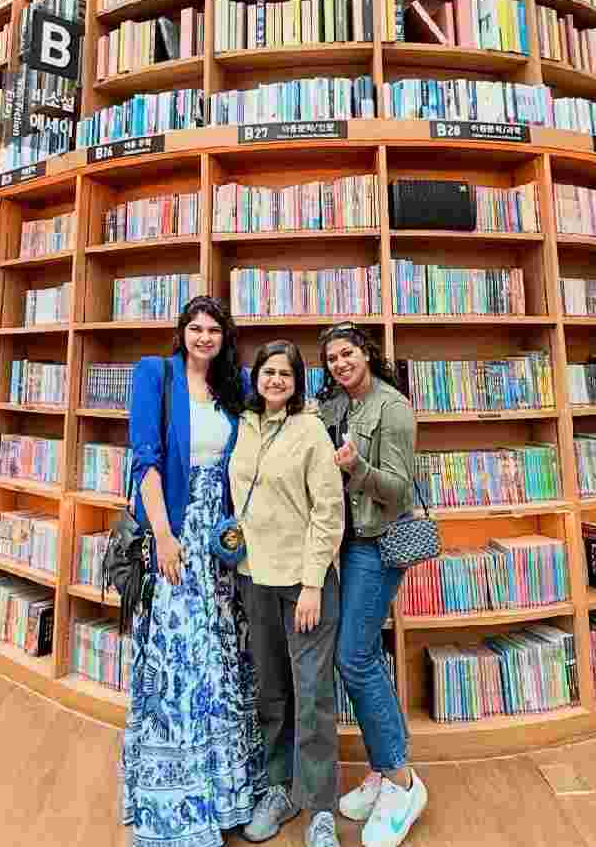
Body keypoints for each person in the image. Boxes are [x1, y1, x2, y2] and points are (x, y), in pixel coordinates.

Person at [122, 296, 262, 847]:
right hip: (176, 533)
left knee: (223, 658)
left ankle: (226, 793)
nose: (204, 337)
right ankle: (176, 803)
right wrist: (163, 536)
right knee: (180, 659)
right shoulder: (155, 375)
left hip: (222, 543)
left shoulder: (236, 384)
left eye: (214, 330)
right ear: (181, 332)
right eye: (195, 327)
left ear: (225, 338)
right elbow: (146, 461)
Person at [315, 323, 427, 847]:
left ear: (366, 353)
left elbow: (400, 490)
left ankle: (402, 781)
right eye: (332, 358)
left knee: (355, 658)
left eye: (348, 353)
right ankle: (384, 769)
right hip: (344, 541)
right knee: (362, 657)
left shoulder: (393, 407)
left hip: (376, 544)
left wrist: (358, 469)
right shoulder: (337, 403)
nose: (341, 363)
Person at [231, 340, 345, 847]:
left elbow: (329, 511)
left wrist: (314, 582)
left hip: (305, 585)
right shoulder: (243, 424)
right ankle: (279, 789)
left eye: (286, 373)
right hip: (254, 576)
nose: (276, 380)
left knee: (313, 696)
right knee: (272, 692)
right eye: (268, 371)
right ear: (255, 376)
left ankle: (319, 808)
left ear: (298, 382)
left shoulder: (310, 429)